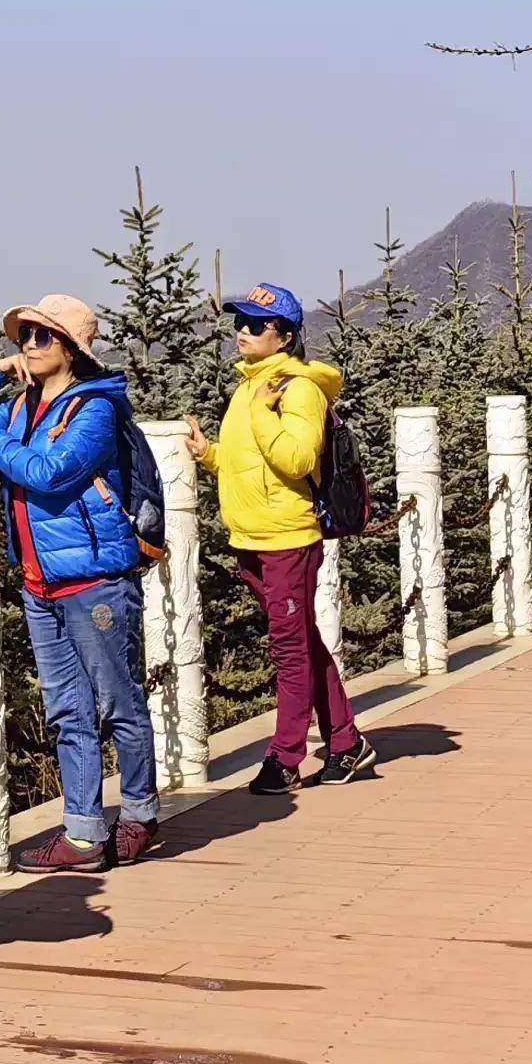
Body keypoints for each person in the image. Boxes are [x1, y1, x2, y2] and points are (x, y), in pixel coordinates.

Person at [0, 293, 161, 875]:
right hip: (41, 585)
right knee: (67, 711)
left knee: (119, 703)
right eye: (24, 337)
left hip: (95, 580)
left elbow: (49, 473)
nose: (30, 346)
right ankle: (85, 834)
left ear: (71, 348)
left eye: (43, 337)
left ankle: (139, 816)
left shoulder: (92, 409)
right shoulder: (18, 409)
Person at [187, 282, 376, 794]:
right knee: (304, 644)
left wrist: (263, 415)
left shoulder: (298, 389)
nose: (242, 333)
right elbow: (245, 462)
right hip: (251, 536)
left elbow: (295, 460)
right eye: (238, 323)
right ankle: (346, 742)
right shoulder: (251, 386)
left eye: (255, 325)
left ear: (286, 336)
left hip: (288, 538)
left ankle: (286, 756)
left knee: (288, 650)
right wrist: (209, 453)